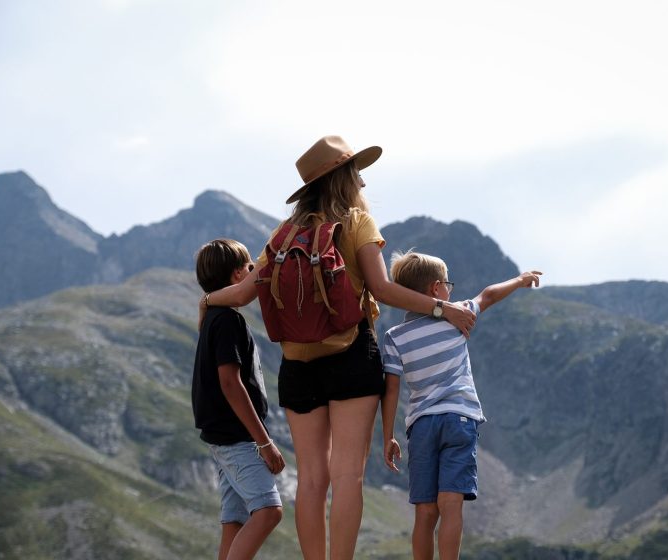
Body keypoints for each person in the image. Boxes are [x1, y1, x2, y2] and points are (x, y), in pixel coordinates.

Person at [199, 135, 476, 560]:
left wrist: (206, 300)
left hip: (297, 366)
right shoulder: (356, 222)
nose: (362, 183)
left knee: (312, 479)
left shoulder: (283, 234)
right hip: (351, 358)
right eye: (357, 174)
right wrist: (442, 309)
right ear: (343, 179)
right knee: (348, 477)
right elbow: (382, 289)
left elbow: (240, 295)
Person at [380, 250, 541, 560]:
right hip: (459, 420)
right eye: (448, 284)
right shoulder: (458, 315)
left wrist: (388, 435)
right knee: (451, 505)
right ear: (436, 289)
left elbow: (391, 390)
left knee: (425, 512)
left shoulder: (394, 337)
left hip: (422, 425)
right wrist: (520, 280)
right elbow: (489, 295)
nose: (451, 291)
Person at [192, 238, 286, 560]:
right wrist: (264, 442)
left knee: (234, 521)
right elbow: (230, 384)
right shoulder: (229, 321)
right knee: (269, 511)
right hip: (238, 438)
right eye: (250, 269)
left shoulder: (213, 320)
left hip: (222, 439)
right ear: (237, 276)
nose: (255, 274)